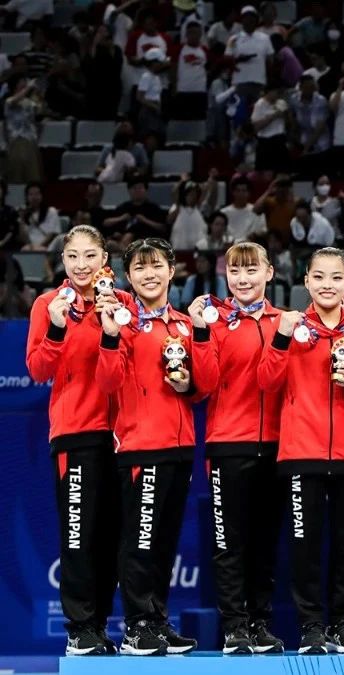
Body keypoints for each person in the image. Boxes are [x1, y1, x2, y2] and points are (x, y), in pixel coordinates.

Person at [259, 248, 344, 655]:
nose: (327, 284)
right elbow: (267, 381)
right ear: (306, 281)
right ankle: (310, 627)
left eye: (336, 277)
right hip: (300, 452)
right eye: (319, 276)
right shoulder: (288, 327)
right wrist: (282, 337)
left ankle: (342, 625)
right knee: (305, 547)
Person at [25, 226, 130, 656]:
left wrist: (111, 325)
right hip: (75, 434)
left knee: (111, 538)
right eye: (73, 256)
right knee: (79, 535)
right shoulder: (48, 304)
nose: (81, 265)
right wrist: (55, 328)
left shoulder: (122, 304)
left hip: (123, 437)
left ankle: (98, 625)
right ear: (63, 260)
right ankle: (80, 628)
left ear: (104, 257)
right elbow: (38, 369)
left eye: (90, 255)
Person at [95, 238, 202, 656]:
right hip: (141, 447)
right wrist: (109, 336)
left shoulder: (185, 325)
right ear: (128, 277)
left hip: (180, 447)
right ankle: (137, 626)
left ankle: (156, 620)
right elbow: (108, 382)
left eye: (156, 265)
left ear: (172, 271)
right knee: (140, 541)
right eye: (139, 268)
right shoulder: (122, 323)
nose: (149, 274)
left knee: (164, 542)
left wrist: (189, 384)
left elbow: (202, 387)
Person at [187, 242, 287, 655]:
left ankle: (260, 624)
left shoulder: (286, 322)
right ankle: (234, 628)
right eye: (235, 271)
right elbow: (204, 383)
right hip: (228, 445)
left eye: (251, 270)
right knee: (230, 543)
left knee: (265, 543)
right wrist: (198, 331)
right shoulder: (214, 321)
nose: (243, 279)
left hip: (279, 446)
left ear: (269, 273)